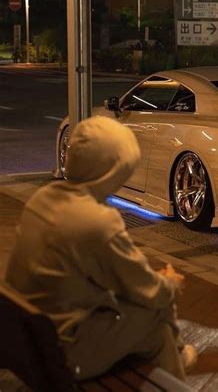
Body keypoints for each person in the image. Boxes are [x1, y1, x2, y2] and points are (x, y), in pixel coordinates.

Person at [5, 116, 196, 381]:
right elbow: (149, 291)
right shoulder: (97, 222)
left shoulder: (43, 198)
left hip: (24, 338)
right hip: (63, 354)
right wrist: (170, 283)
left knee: (151, 318)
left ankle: (175, 358)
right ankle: (176, 364)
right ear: (111, 170)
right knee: (157, 320)